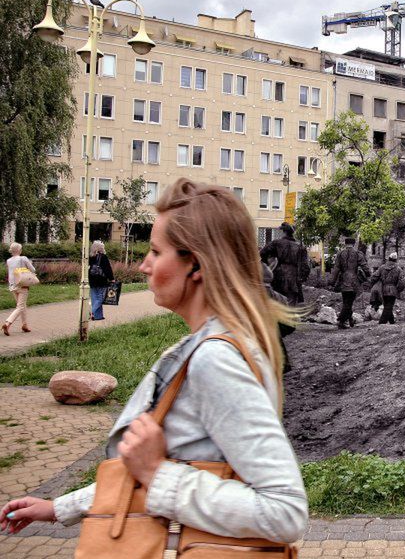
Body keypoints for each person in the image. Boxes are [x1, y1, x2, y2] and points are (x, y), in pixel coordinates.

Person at [0, 178, 308, 544]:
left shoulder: (215, 358)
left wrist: (157, 473)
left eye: (156, 252)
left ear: (195, 265)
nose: (145, 266)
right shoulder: (211, 344)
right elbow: (154, 470)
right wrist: (59, 509)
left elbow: (284, 511)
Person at [260, 222, 311, 305]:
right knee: (291, 304)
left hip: (278, 275)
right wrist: (302, 279)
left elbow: (262, 254)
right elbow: (305, 267)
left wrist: (268, 267)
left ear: (283, 232)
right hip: (294, 277)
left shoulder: (276, 243)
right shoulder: (300, 247)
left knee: (277, 302)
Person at [330, 236, 368, 329]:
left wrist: (332, 281)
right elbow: (364, 266)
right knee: (349, 302)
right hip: (354, 282)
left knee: (346, 301)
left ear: (345, 244)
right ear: (354, 244)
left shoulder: (340, 254)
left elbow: (336, 269)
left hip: (343, 280)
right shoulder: (358, 253)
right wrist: (368, 274)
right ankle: (341, 321)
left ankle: (350, 320)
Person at [3, 242, 36, 336]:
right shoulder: (23, 258)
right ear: (19, 250)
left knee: (22, 305)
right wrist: (30, 264)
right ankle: (7, 323)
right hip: (22, 285)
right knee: (20, 307)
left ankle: (24, 325)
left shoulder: (8, 260)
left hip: (12, 286)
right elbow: (33, 270)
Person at [370, 252, 405, 324]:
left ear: (388, 259)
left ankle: (392, 321)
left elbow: (374, 277)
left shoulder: (382, 267)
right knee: (388, 306)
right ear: (395, 260)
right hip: (393, 289)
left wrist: (372, 284)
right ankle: (382, 322)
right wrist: (398, 290)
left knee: (387, 305)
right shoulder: (398, 269)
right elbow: (402, 282)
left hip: (383, 290)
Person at [88, 240, 114, 321]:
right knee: (101, 298)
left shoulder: (90, 257)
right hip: (101, 280)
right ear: (100, 248)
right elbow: (107, 269)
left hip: (92, 279)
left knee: (94, 298)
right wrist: (111, 278)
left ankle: (98, 316)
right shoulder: (103, 257)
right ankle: (92, 312)